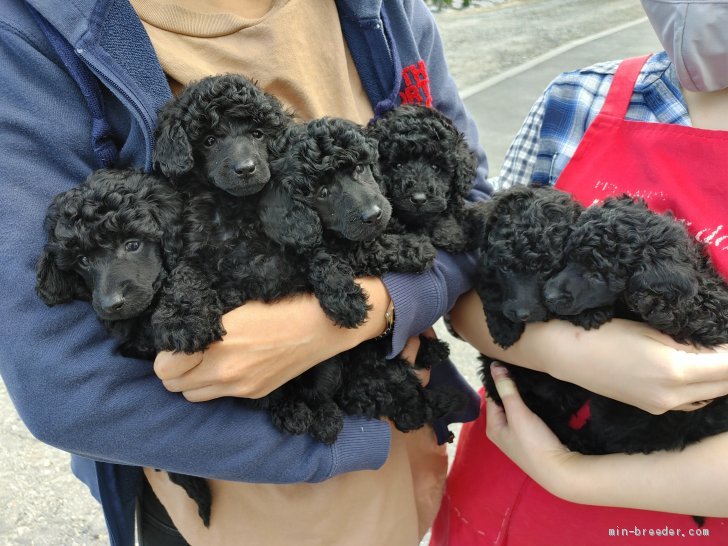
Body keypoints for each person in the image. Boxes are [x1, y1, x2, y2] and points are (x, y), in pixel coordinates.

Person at [0, 1, 488, 545]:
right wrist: (340, 441)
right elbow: (63, 386)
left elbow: (468, 211)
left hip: (400, 440)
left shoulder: (381, 8)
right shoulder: (24, 35)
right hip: (246, 485)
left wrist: (381, 304)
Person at [430, 1, 728, 544]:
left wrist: (571, 475)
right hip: (502, 500)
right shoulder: (580, 98)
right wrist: (572, 352)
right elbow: (466, 290)